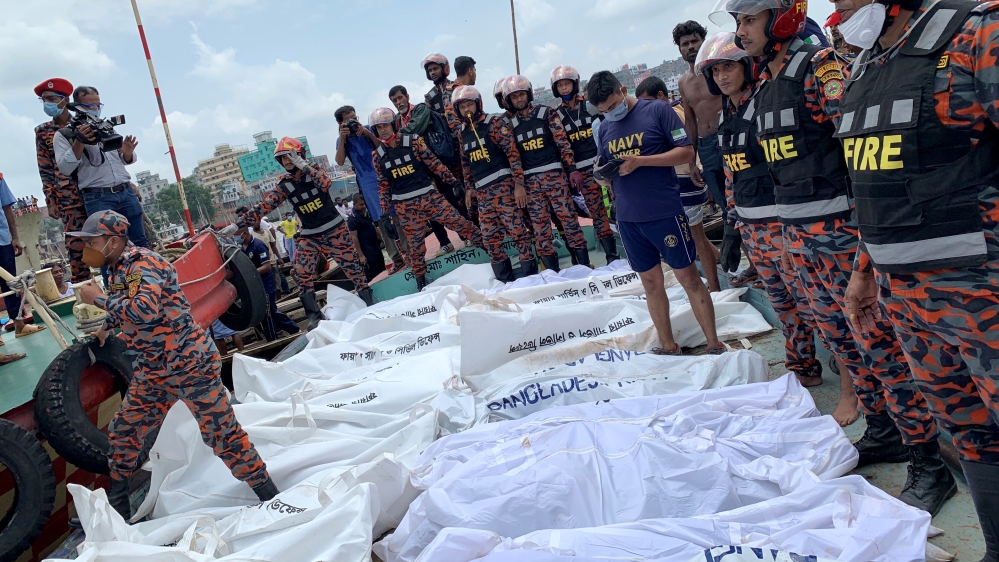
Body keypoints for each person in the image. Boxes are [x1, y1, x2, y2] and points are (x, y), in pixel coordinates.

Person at [716, 0, 953, 515]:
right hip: (796, 240)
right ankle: (885, 430)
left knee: (883, 350)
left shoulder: (818, 68)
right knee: (845, 344)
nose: (742, 31)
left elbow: (858, 144)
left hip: (842, 238)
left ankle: (929, 463)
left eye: (749, 19)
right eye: (736, 22)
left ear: (780, 19)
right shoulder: (761, 88)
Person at [834, 0, 999, 548]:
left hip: (980, 285)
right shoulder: (866, 67)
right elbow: (873, 186)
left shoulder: (976, 33)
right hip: (907, 297)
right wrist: (862, 271)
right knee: (970, 433)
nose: (838, 8)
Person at [75, 211, 277, 519]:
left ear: (112, 241)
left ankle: (270, 494)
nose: (87, 248)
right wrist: (107, 325)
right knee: (124, 431)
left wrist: (98, 300)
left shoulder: (143, 263)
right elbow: (129, 303)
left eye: (92, 241)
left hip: (188, 364)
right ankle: (119, 510)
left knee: (222, 433)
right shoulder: (119, 269)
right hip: (153, 371)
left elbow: (143, 309)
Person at [695, 31, 831, 392]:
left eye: (729, 67)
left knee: (812, 302)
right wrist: (732, 226)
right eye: (717, 70)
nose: (723, 76)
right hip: (753, 229)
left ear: (745, 67)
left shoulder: (764, 107)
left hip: (782, 224)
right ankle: (802, 364)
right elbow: (731, 177)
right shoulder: (728, 119)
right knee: (783, 304)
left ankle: (844, 366)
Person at [585, 71, 725, 356]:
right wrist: (601, 176)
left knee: (687, 277)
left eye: (613, 106)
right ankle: (668, 345)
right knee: (650, 283)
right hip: (627, 217)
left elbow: (685, 152)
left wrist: (641, 162)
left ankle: (713, 343)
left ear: (623, 90)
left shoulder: (658, 111)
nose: (610, 113)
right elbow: (603, 167)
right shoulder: (605, 128)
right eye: (603, 111)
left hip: (664, 212)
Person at [246, 137, 373, 329]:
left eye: (291, 156)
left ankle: (369, 303)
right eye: (283, 158)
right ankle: (314, 316)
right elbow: (265, 206)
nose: (288, 161)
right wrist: (240, 223)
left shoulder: (314, 172)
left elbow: (325, 183)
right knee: (302, 273)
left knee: (352, 268)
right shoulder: (285, 184)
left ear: (300, 155)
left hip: (334, 229)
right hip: (310, 235)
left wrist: (303, 165)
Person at [369, 107, 487, 290]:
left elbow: (434, 164)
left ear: (393, 125)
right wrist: (385, 215)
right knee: (415, 249)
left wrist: (454, 182)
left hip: (428, 196)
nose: (383, 130)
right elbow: (383, 186)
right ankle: (421, 284)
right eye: (378, 128)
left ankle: (491, 251)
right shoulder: (378, 156)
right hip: (405, 207)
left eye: (385, 125)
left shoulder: (414, 141)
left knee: (461, 224)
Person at [636, 76, 723, 292]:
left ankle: (714, 288)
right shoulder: (669, 112)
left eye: (647, 103)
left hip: (684, 179)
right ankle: (720, 263)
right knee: (695, 235)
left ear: (660, 96)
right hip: (680, 179)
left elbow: (678, 147)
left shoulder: (671, 114)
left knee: (696, 237)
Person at [502, 75, 590, 271]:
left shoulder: (547, 113)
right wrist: (519, 184)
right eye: (514, 96)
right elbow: (513, 156)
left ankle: (584, 266)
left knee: (569, 222)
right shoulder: (509, 125)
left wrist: (572, 169)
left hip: (556, 178)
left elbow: (562, 143)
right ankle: (553, 273)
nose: (518, 99)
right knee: (541, 231)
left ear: (529, 94)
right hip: (531, 185)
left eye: (521, 95)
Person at [452, 86, 537, 281]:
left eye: (469, 104)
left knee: (517, 232)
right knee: (490, 238)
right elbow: (466, 162)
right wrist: (469, 188)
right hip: (483, 194)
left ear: (478, 104)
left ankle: (531, 278)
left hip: (504, 187)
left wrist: (519, 185)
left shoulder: (494, 123)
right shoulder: (462, 132)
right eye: (462, 106)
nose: (467, 109)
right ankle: (505, 280)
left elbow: (513, 153)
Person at [54, 86, 148, 249]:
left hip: (125, 191)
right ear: (76, 107)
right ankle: (114, 275)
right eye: (90, 106)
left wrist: (127, 153)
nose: (95, 109)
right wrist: (80, 141)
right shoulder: (65, 134)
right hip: (98, 197)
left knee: (139, 242)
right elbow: (65, 168)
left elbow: (121, 161)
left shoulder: (106, 126)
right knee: (106, 249)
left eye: (98, 105)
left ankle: (145, 274)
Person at [551, 65, 621, 265]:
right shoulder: (556, 115)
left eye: (567, 83)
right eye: (560, 85)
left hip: (604, 164)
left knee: (620, 206)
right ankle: (611, 257)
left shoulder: (590, 105)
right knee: (598, 212)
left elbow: (607, 130)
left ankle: (622, 251)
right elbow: (562, 145)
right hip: (581, 172)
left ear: (575, 84)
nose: (565, 88)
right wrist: (571, 170)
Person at [389, 84, 464, 251]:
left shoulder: (420, 109)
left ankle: (465, 235)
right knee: (429, 209)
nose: (398, 102)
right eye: (394, 100)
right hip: (419, 169)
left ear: (407, 97)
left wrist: (396, 136)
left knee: (451, 201)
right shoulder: (396, 120)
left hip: (435, 163)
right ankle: (444, 243)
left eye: (400, 98)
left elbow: (414, 130)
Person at [335, 105, 406, 270]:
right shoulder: (341, 140)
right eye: (348, 120)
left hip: (384, 176)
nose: (354, 122)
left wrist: (367, 133)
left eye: (355, 118)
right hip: (367, 184)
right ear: (340, 124)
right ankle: (396, 259)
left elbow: (382, 148)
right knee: (381, 220)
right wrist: (343, 138)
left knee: (398, 216)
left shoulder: (368, 130)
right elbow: (339, 161)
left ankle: (409, 252)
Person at [35, 78, 91, 283]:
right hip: (67, 196)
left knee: (105, 236)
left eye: (51, 99)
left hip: (93, 188)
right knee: (76, 245)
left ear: (64, 100)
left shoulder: (84, 123)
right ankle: (83, 288)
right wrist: (50, 201)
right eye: (43, 100)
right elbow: (45, 167)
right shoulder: (42, 131)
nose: (47, 104)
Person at [675, 22, 728, 216]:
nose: (691, 47)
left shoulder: (719, 70)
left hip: (729, 136)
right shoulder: (683, 83)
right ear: (679, 49)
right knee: (722, 199)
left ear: (703, 41)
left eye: (695, 41)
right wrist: (691, 162)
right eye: (685, 43)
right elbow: (690, 122)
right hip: (706, 146)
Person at [0, 174, 46, 365]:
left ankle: (19, 324)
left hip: (2, 239)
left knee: (10, 283)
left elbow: (7, 206)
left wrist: (14, 237)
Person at [236, 221, 299, 342]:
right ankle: (282, 334)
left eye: (236, 235)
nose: (235, 238)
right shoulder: (241, 249)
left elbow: (266, 267)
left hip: (266, 285)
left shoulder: (259, 246)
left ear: (244, 233)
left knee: (269, 313)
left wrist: (248, 273)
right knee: (266, 313)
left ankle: (282, 335)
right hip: (255, 287)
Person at [346, 193, 387, 282]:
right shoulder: (352, 219)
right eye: (361, 205)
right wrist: (361, 255)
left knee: (382, 266)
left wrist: (383, 239)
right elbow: (354, 238)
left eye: (364, 204)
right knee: (374, 271)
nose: (364, 206)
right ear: (354, 205)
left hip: (375, 245)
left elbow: (373, 227)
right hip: (366, 248)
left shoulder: (366, 213)